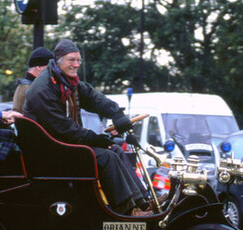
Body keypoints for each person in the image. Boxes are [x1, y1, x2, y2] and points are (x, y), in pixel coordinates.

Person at [23, 39, 152, 215]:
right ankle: (127, 211)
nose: (76, 64)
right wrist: (94, 138)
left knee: (116, 150)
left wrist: (116, 113)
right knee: (107, 157)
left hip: (62, 143)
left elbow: (92, 97)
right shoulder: (43, 88)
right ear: (59, 60)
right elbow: (62, 128)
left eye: (78, 60)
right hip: (48, 151)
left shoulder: (67, 81)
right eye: (71, 60)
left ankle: (144, 203)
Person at [12, 47, 53, 113]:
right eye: (48, 68)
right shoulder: (28, 88)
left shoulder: (27, 86)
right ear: (39, 67)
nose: (50, 72)